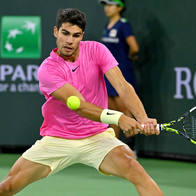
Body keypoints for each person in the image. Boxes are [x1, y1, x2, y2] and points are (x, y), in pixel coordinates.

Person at [0, 8, 164, 196]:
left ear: (82, 36)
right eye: (65, 33)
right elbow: (79, 105)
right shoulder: (48, 70)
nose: (70, 40)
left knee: (136, 170)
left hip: (97, 137)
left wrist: (143, 118)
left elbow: (123, 86)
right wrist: (119, 118)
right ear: (56, 31)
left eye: (76, 35)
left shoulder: (97, 50)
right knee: (8, 187)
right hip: (58, 139)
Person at [99, 0, 139, 140]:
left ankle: (131, 148)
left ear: (119, 7)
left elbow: (134, 47)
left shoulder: (123, 25)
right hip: (108, 74)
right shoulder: (107, 26)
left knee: (125, 112)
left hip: (122, 72)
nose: (107, 8)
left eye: (111, 5)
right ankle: (114, 147)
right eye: (106, 5)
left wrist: (127, 60)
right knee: (113, 114)